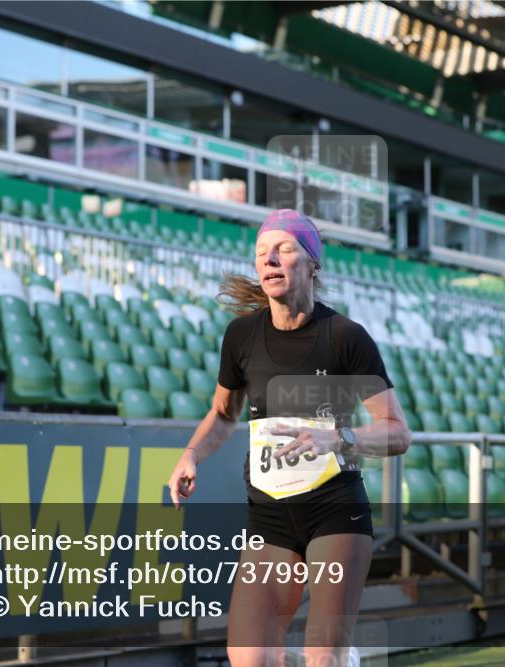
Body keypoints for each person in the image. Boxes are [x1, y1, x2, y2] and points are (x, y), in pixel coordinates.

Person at [168, 209, 411, 667]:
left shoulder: (345, 337)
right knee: (249, 658)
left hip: (334, 509)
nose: (270, 260)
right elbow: (223, 414)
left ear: (312, 262)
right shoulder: (241, 335)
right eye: (262, 252)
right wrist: (191, 454)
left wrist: (339, 438)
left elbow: (398, 433)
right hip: (269, 515)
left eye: (284, 249)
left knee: (323, 658)